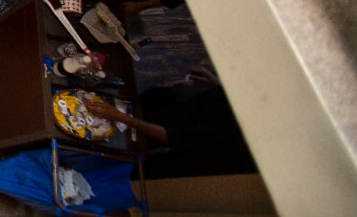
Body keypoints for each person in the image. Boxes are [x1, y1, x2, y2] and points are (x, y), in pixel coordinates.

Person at [84, 64, 256, 178]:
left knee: (114, 138)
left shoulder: (227, 133)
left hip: (159, 126)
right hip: (173, 105)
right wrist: (216, 83)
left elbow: (175, 137)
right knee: (135, 103)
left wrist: (122, 118)